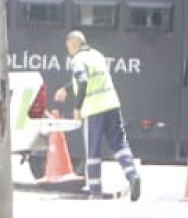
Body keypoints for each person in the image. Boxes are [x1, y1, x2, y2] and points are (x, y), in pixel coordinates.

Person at [54, 29, 141, 199]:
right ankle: (133, 176)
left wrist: (77, 108)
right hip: (112, 106)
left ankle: (95, 192)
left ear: (74, 44)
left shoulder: (78, 59)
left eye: (68, 48)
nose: (69, 52)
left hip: (94, 110)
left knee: (92, 153)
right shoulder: (97, 55)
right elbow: (89, 78)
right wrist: (66, 88)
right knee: (120, 145)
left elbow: (84, 80)